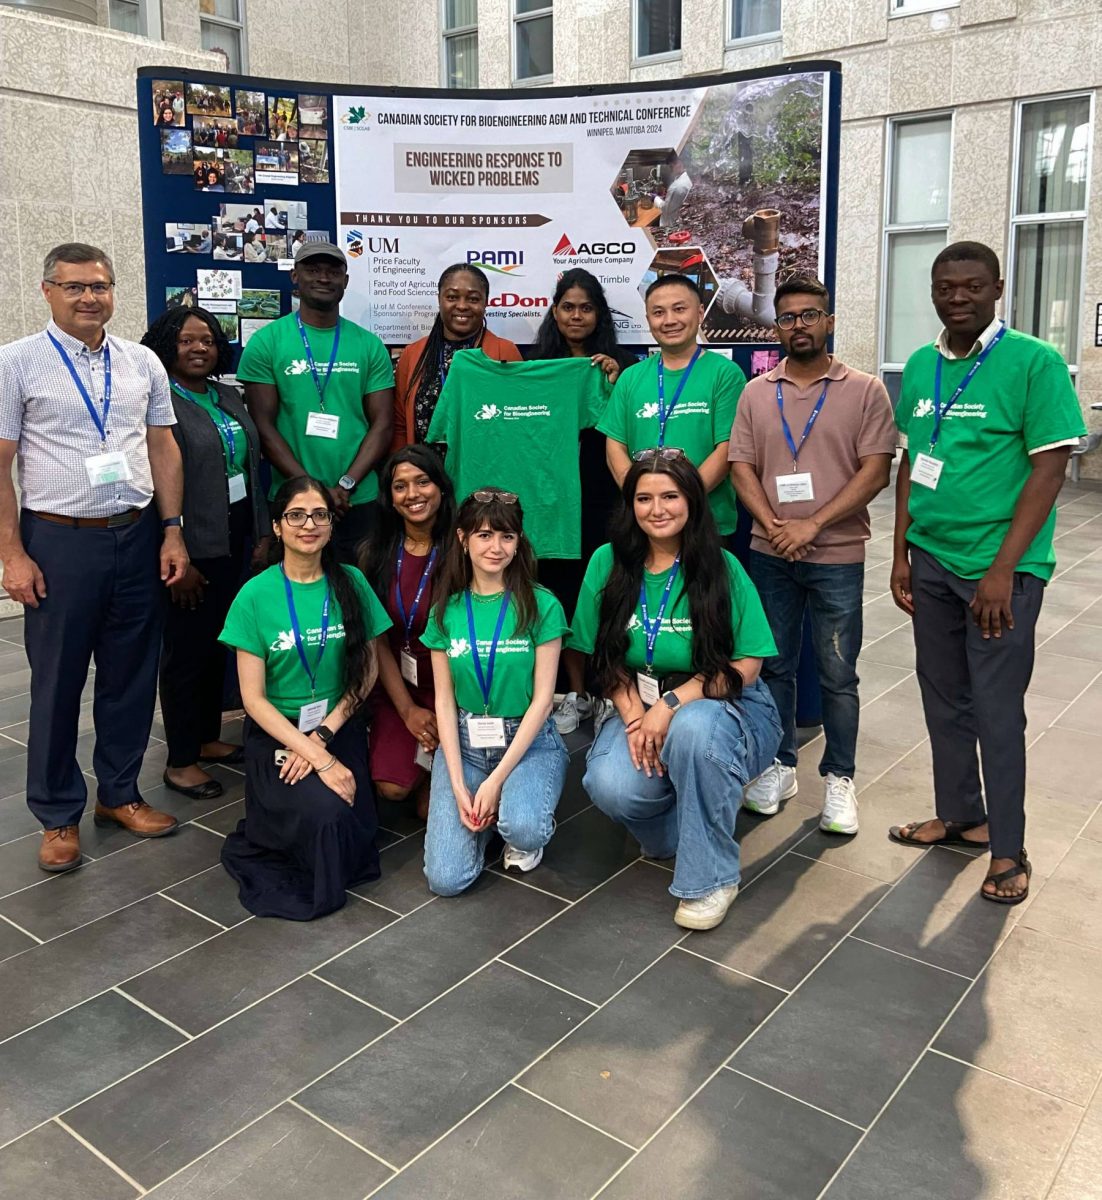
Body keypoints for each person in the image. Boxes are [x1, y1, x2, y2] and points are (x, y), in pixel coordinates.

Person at [888, 241, 1086, 906]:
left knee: (997, 712)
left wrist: (1003, 571)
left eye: (971, 286)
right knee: (943, 698)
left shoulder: (1034, 362)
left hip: (1000, 574)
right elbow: (912, 464)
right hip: (934, 562)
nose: (957, 297)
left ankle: (1007, 849)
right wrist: (901, 553)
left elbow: (1049, 469)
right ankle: (961, 816)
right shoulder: (920, 366)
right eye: (946, 287)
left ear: (997, 288)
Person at [0, 243, 188, 872]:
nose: (90, 297)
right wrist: (12, 554)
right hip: (60, 537)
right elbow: (1, 466)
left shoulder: (142, 364)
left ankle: (120, 793)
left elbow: (162, 447)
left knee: (132, 672)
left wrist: (172, 530)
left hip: (137, 534)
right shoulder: (17, 363)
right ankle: (57, 814)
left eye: (101, 286)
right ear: (47, 290)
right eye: (75, 286)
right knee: (56, 680)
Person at [573, 451, 781, 930]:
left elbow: (748, 664)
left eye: (670, 496)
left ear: (692, 500)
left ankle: (711, 879)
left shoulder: (720, 566)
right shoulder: (608, 563)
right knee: (610, 784)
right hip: (638, 701)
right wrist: (632, 717)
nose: (657, 508)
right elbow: (600, 658)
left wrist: (670, 703)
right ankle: (680, 830)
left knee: (692, 730)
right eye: (644, 498)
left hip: (726, 704)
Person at [730, 276, 896, 835]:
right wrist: (774, 524)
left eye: (809, 315)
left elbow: (876, 470)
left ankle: (840, 780)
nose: (798, 325)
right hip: (770, 550)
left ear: (829, 322)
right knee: (773, 665)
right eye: (788, 317)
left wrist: (814, 524)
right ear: (775, 326)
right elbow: (741, 468)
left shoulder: (865, 389)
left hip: (837, 554)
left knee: (837, 672)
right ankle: (779, 765)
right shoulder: (756, 392)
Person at [218, 476, 392, 919]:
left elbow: (367, 670)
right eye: (296, 515)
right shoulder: (254, 595)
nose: (308, 524)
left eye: (319, 514)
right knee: (326, 815)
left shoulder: (351, 581)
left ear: (332, 525)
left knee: (349, 819)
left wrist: (324, 737)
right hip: (277, 731)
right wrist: (315, 755)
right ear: (277, 526)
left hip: (337, 722)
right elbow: (252, 699)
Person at [140, 306, 267, 802]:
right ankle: (180, 758)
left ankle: (208, 736)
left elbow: (249, 468)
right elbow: (155, 482)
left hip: (236, 535)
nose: (199, 348)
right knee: (186, 653)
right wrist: (181, 552)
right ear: (166, 345)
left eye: (208, 340)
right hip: (189, 545)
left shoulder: (226, 394)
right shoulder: (158, 401)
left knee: (220, 643)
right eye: (187, 340)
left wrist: (260, 532)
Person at [422, 489, 569, 896]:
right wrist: (456, 782)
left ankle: (515, 814)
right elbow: (444, 701)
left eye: (506, 536)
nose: (496, 547)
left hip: (529, 741)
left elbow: (543, 701)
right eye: (484, 535)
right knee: (446, 881)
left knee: (522, 828)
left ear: (519, 542)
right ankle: (489, 819)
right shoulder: (446, 611)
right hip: (467, 746)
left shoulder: (542, 606)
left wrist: (493, 782)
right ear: (462, 539)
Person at [238, 241, 394, 562]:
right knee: (297, 593)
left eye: (333, 271)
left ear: (345, 281)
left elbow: (382, 423)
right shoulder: (266, 342)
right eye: (312, 270)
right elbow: (262, 426)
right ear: (295, 276)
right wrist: (311, 489)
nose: (323, 278)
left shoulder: (369, 345)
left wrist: (346, 483)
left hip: (357, 499)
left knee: (358, 595)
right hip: (292, 500)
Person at [531, 267, 635, 734]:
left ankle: (607, 688)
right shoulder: (534, 364)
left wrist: (615, 380)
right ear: (555, 311)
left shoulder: (622, 367)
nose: (576, 315)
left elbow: (630, 428)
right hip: (549, 503)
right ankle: (570, 692)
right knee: (558, 594)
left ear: (599, 314)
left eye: (586, 307)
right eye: (568, 306)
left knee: (604, 595)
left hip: (600, 500)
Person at [599, 274, 745, 547]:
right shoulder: (631, 377)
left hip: (705, 524)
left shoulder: (725, 374)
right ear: (648, 319)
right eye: (658, 312)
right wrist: (642, 500)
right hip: (643, 523)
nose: (669, 320)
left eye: (679, 309)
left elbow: (727, 450)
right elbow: (614, 447)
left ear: (700, 312)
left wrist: (677, 502)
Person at [359, 446, 455, 820]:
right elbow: (377, 640)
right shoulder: (374, 554)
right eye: (400, 486)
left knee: (431, 809)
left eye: (422, 481)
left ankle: (437, 769)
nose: (413, 494)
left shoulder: (464, 550)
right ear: (390, 498)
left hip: (458, 690)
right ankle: (417, 756)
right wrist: (408, 710)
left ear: (442, 488)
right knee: (392, 788)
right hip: (400, 687)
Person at [391, 264, 521, 452]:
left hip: (484, 473)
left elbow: (516, 422)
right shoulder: (413, 354)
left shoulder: (504, 352)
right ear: (439, 299)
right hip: (425, 475)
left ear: (486, 302)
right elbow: (400, 425)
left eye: (473, 299)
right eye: (452, 297)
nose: (462, 306)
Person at [655, 151, 693, 230]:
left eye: (671, 166)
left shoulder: (677, 186)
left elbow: (666, 210)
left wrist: (655, 199)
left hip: (670, 224)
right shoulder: (687, 178)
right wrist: (668, 195)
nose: (671, 170)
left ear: (679, 163)